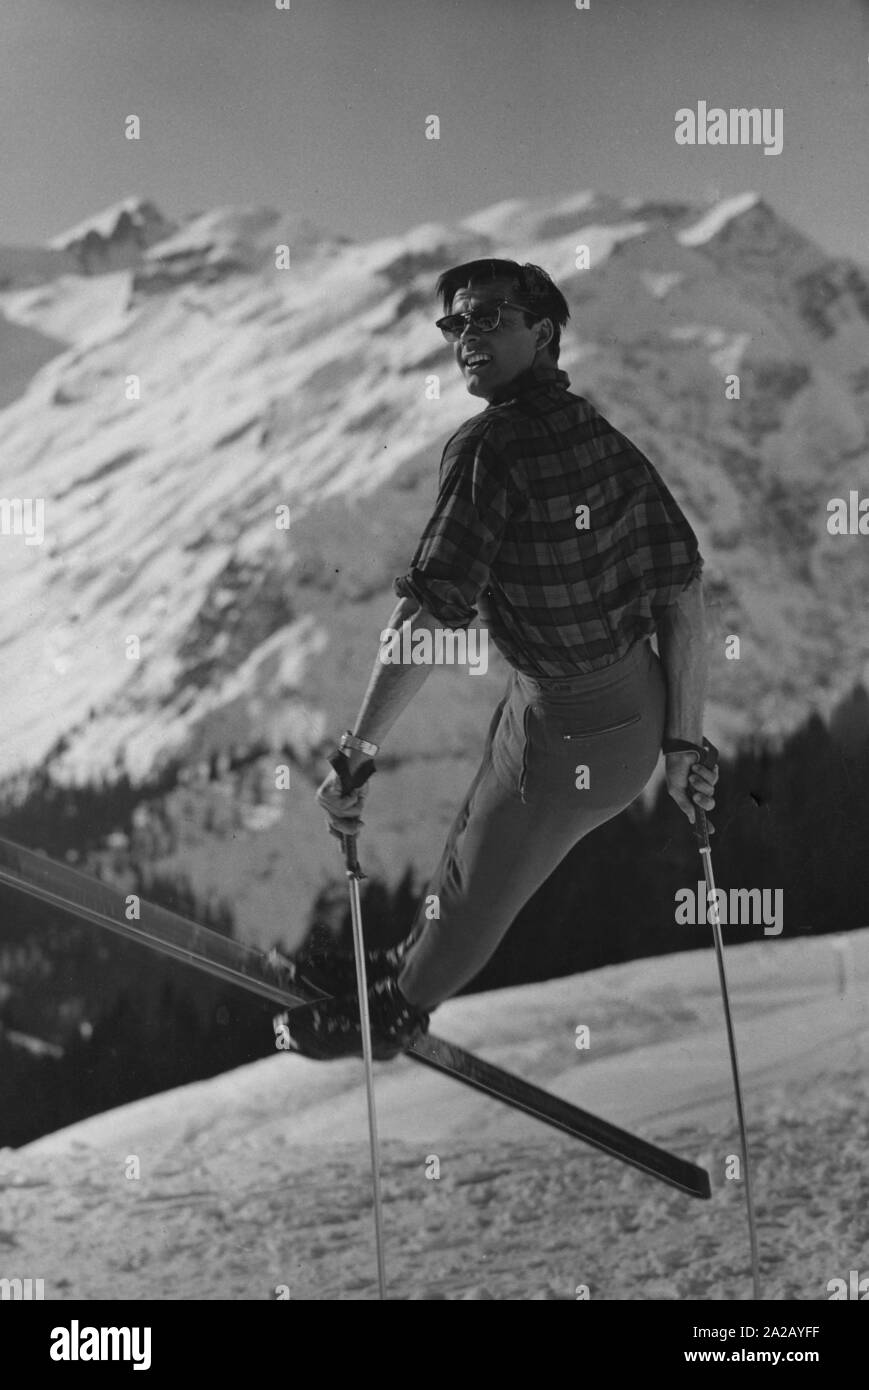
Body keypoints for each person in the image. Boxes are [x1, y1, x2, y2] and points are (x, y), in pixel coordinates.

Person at [288, 258, 718, 1060]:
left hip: (572, 731)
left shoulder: (489, 449)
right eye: (455, 323)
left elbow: (430, 609)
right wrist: (682, 741)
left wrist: (356, 752)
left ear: (543, 333)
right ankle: (406, 967)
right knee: (471, 853)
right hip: (623, 709)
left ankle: (396, 1011)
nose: (464, 338)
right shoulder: (601, 437)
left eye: (487, 318)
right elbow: (683, 594)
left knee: (484, 880)